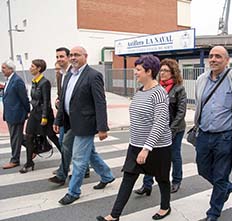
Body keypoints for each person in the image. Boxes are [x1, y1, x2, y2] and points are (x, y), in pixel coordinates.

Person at [96, 55, 172, 221]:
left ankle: (165, 207)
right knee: (128, 179)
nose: (135, 72)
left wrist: (146, 148)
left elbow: (159, 123)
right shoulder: (139, 92)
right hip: (136, 145)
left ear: (149, 71)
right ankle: (114, 215)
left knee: (162, 179)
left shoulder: (159, 94)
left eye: (138, 70)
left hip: (157, 147)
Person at [52, 46, 115, 205]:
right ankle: (107, 176)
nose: (73, 57)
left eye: (77, 55)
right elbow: (64, 101)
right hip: (71, 123)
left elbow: (100, 103)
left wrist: (102, 128)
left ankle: (73, 192)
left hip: (86, 123)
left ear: (85, 56)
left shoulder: (93, 75)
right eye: (71, 55)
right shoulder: (68, 76)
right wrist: (58, 121)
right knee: (90, 154)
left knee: (79, 159)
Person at [193, 46, 232, 221]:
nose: (213, 59)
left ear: (227, 60)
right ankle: (226, 187)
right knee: (202, 169)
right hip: (203, 134)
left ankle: (213, 212)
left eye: (218, 56)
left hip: (225, 136)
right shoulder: (201, 79)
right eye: (211, 56)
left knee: (220, 175)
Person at [134, 58, 187, 195]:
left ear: (173, 72)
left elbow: (181, 112)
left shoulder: (179, 89)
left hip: (174, 129)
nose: (162, 73)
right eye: (161, 70)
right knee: (150, 154)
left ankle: (176, 180)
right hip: (156, 128)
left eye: (166, 71)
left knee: (174, 155)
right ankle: (147, 185)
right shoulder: (154, 87)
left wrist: (171, 130)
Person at [19, 59, 61, 173]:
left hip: (44, 114)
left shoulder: (44, 82)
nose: (30, 68)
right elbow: (34, 99)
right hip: (34, 113)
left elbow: (46, 101)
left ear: (39, 68)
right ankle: (29, 163)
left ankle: (66, 157)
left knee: (52, 137)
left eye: (32, 66)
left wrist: (44, 117)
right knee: (28, 136)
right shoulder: (34, 81)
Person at [1, 59, 30, 169]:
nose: (2, 70)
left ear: (10, 69)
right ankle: (34, 148)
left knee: (15, 137)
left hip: (17, 114)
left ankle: (15, 160)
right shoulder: (9, 80)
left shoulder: (17, 80)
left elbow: (24, 98)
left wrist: (27, 111)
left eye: (4, 68)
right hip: (10, 114)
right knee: (17, 137)